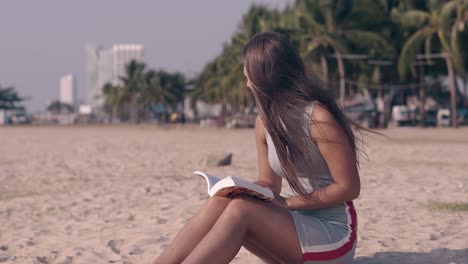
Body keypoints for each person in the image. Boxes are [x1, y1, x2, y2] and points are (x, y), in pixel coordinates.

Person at [154, 32, 361, 264]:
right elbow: (269, 183)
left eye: (248, 76)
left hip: (333, 235)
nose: (247, 83)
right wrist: (240, 189)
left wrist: (289, 203)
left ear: (266, 77)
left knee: (241, 210)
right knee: (224, 202)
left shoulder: (318, 118)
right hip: (291, 225)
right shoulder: (264, 122)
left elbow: (349, 188)